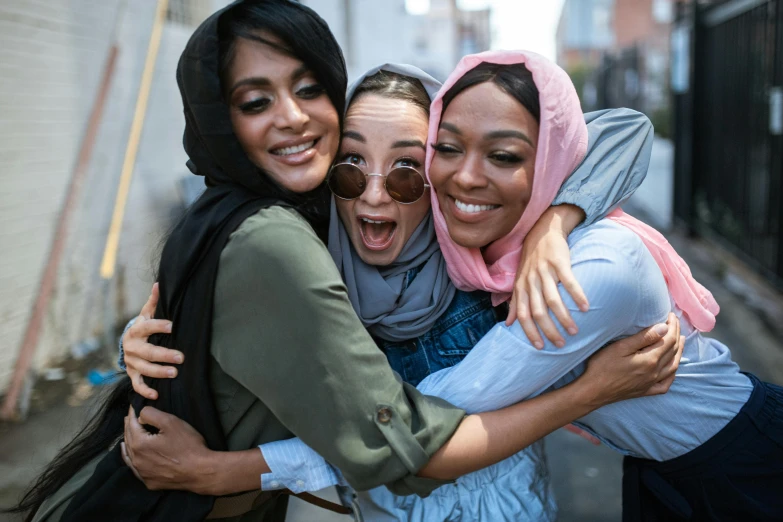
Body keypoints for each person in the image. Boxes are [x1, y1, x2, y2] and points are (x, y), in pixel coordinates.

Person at [10, 5, 680, 522]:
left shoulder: (481, 257)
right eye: (350, 168)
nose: (377, 195)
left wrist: (551, 225)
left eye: (409, 172)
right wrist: (149, 342)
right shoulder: (311, 263)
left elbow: (623, 128)